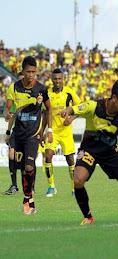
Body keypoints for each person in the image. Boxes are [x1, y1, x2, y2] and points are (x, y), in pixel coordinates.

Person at [60, 79, 118, 225]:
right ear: (114, 98)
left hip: (109, 152)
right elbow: (76, 108)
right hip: (89, 149)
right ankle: (88, 217)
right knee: (78, 180)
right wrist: (67, 111)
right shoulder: (94, 106)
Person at [3, 56, 53, 215]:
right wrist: (7, 115)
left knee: (29, 166)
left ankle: (26, 200)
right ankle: (29, 199)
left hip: (33, 134)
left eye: (33, 71)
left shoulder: (41, 89)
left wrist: (48, 130)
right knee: (23, 169)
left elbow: (49, 109)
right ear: (23, 71)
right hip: (18, 134)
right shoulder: (14, 87)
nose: (31, 74)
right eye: (28, 71)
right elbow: (8, 107)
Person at [44, 68, 81, 197]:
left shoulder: (69, 93)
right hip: (52, 131)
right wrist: (42, 131)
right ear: (52, 80)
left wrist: (71, 118)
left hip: (66, 131)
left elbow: (80, 108)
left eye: (59, 78)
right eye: (55, 79)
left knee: (70, 160)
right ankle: (51, 186)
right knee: (47, 155)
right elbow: (45, 113)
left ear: (63, 79)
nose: (57, 81)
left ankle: (74, 188)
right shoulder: (47, 93)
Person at [5, 72, 24, 195]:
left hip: (29, 132)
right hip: (16, 131)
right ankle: (14, 185)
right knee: (11, 154)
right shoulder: (15, 97)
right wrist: (8, 131)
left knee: (27, 161)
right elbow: (11, 116)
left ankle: (30, 186)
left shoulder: (33, 95)